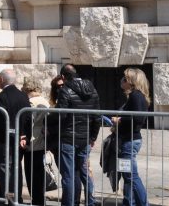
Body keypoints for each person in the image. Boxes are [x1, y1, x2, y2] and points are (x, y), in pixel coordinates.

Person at [52, 64, 101, 206]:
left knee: (69, 176)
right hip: (85, 138)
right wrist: (93, 137)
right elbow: (97, 117)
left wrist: (48, 119)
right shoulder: (92, 89)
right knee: (85, 172)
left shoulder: (65, 90)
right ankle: (89, 202)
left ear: (63, 77)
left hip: (68, 138)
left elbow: (61, 115)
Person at [112, 67, 150, 206]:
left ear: (132, 81)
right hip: (128, 139)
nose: (122, 80)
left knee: (131, 176)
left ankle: (143, 203)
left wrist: (120, 120)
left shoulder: (136, 95)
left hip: (130, 140)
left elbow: (138, 118)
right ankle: (129, 202)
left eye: (125, 78)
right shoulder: (135, 95)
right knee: (127, 174)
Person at [0, 69, 30, 203]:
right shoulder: (23, 95)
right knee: (16, 170)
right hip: (19, 141)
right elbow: (28, 118)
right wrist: (24, 136)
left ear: (2, 80)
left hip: (5, 142)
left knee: (5, 173)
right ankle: (17, 198)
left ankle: (9, 199)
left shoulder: (1, 97)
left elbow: (3, 121)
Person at [21, 77, 48, 206]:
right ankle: (40, 199)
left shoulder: (31, 102)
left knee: (31, 174)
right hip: (42, 141)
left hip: (32, 141)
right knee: (39, 172)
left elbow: (29, 121)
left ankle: (36, 200)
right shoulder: (45, 101)